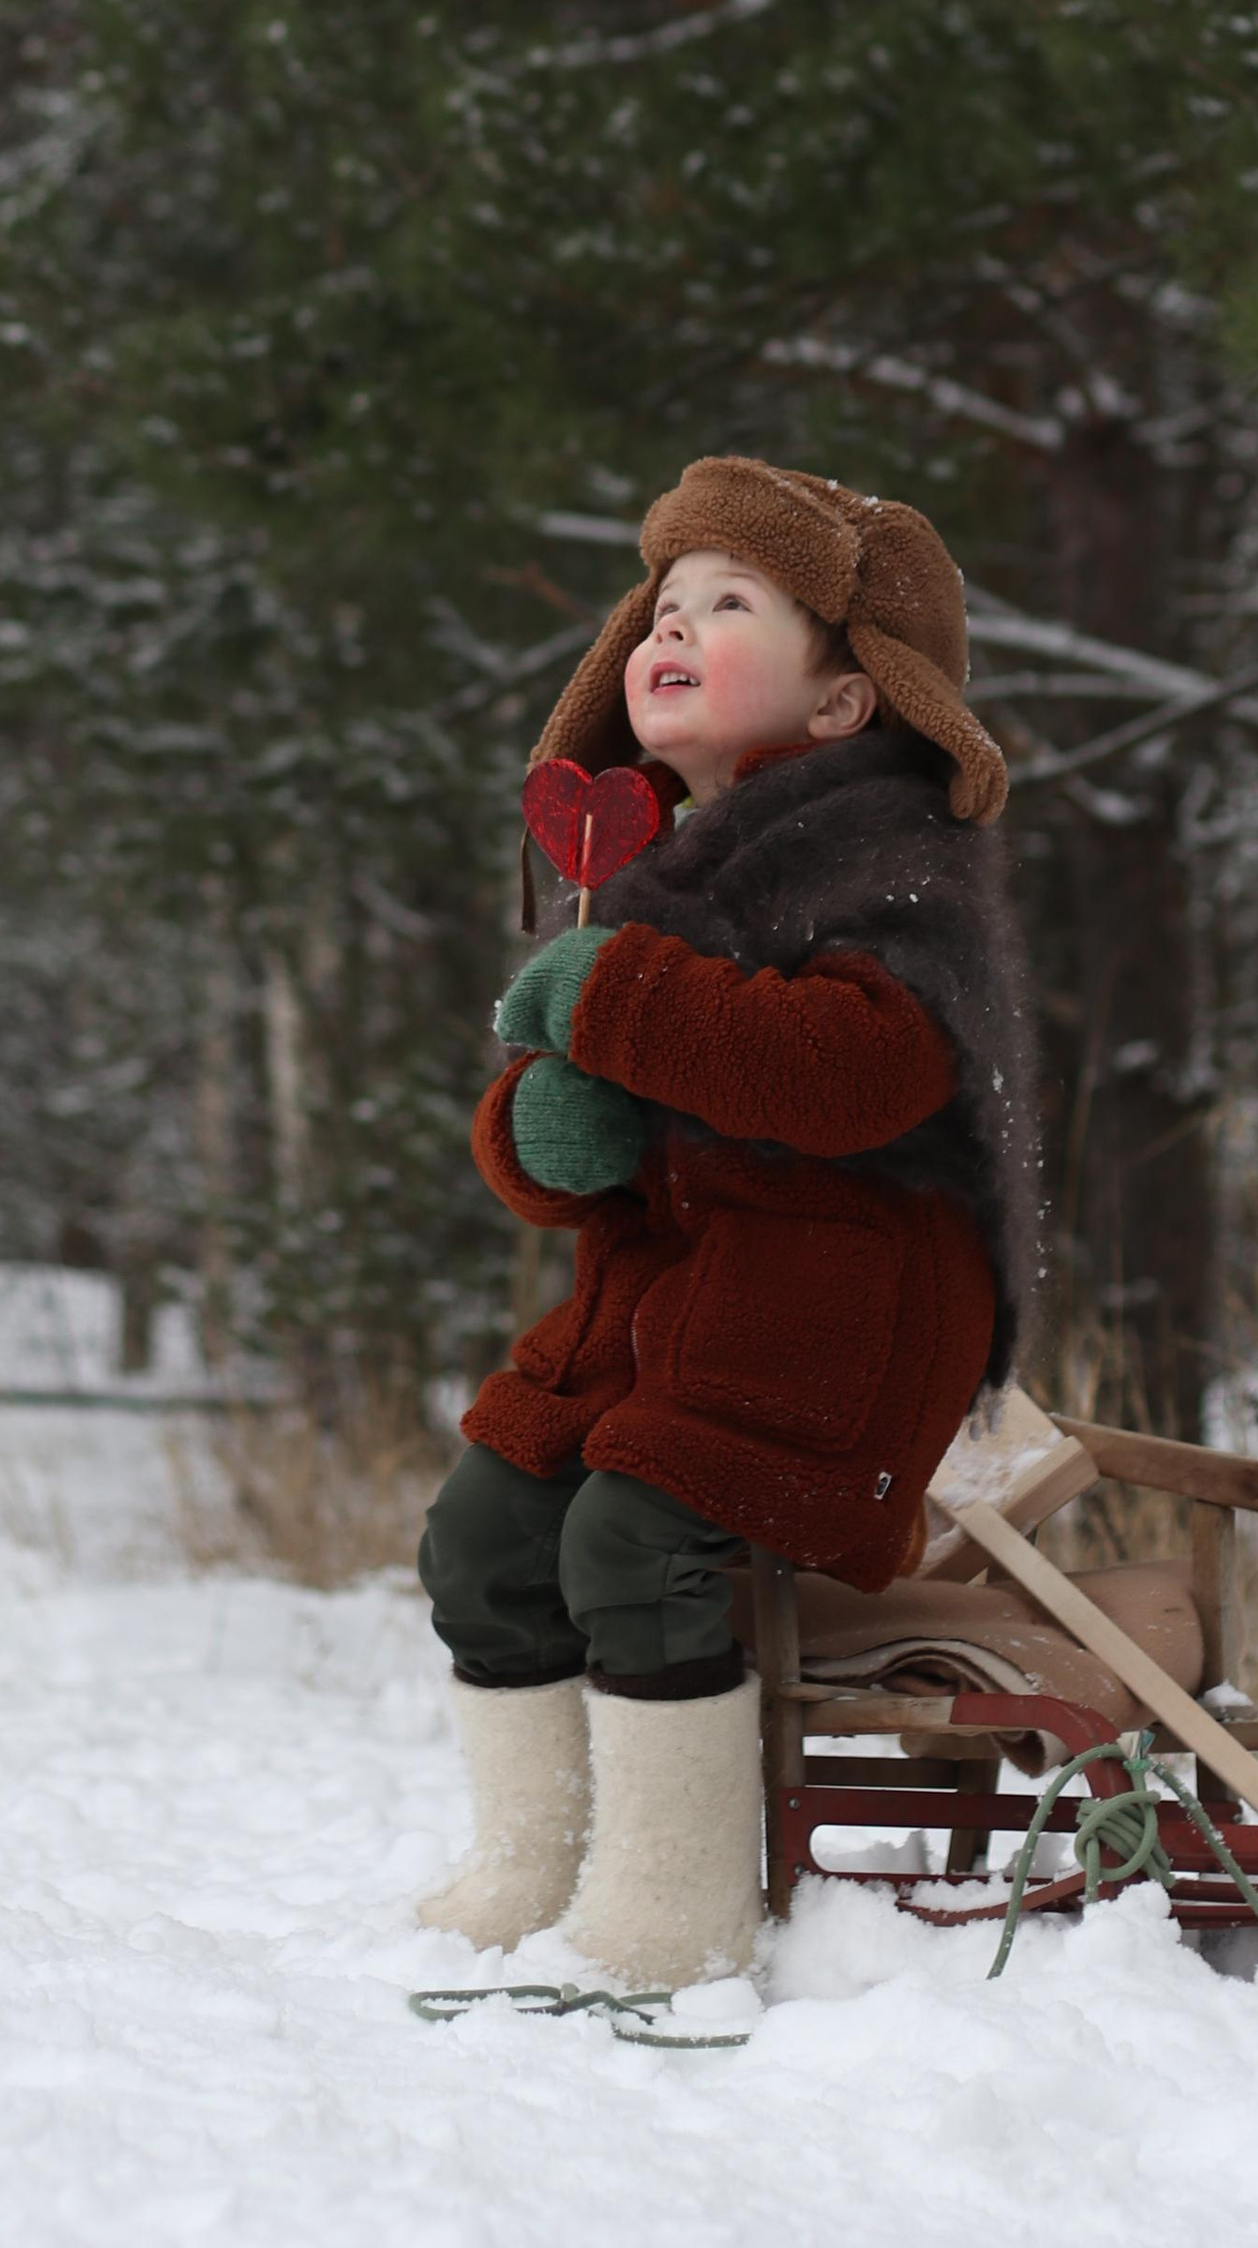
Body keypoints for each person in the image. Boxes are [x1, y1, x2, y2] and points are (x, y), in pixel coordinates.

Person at [414, 455, 1033, 1992]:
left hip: (843, 1299)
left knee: (638, 1533)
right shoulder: (636, 874)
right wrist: (547, 1138)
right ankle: (530, 1856)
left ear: (844, 703)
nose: (671, 625)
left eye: (732, 601)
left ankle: (673, 1906)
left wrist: (615, 1003)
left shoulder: (894, 859)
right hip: (672, 1292)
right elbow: (588, 1116)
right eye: (663, 603)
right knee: (487, 1533)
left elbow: (847, 1071)